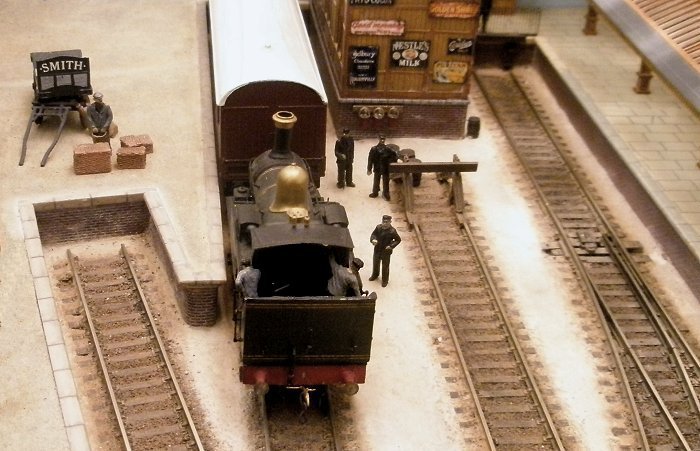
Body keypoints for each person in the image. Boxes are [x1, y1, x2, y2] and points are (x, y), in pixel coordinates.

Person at [369, 215, 401, 287]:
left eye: (387, 222)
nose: (385, 224)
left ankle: (385, 280)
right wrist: (373, 239)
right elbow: (373, 234)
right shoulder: (378, 227)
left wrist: (391, 246)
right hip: (377, 249)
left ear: (390, 222)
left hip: (386, 251)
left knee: (385, 266)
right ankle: (375, 275)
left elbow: (398, 240)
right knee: (375, 263)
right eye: (383, 222)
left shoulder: (392, 231)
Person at [367, 135, 398, 201]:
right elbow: (370, 159)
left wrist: (390, 163)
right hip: (377, 167)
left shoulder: (388, 150)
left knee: (386, 181)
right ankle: (375, 192)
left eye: (383, 139)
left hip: (385, 168)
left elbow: (394, 157)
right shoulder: (374, 149)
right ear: (379, 139)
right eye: (381, 139)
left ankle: (386, 193)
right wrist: (369, 169)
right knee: (376, 180)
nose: (382, 140)